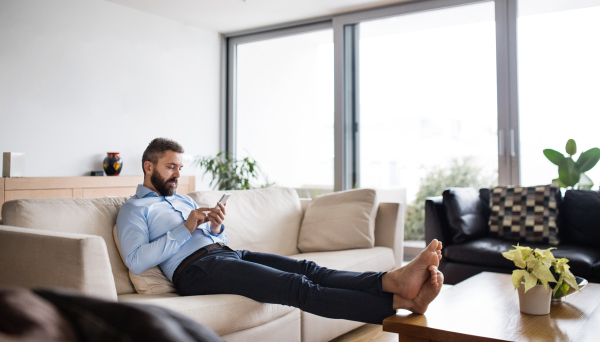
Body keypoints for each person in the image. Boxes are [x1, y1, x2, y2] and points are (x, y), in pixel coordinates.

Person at [117, 138, 444, 325]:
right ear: (149, 167)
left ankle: (392, 282)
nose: (177, 174)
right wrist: (188, 227)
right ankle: (397, 304)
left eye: (179, 168)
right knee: (295, 286)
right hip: (195, 272)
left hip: (226, 255)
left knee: (309, 268)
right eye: (170, 167)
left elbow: (217, 240)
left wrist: (215, 227)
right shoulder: (135, 209)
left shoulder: (184, 199)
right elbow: (135, 260)